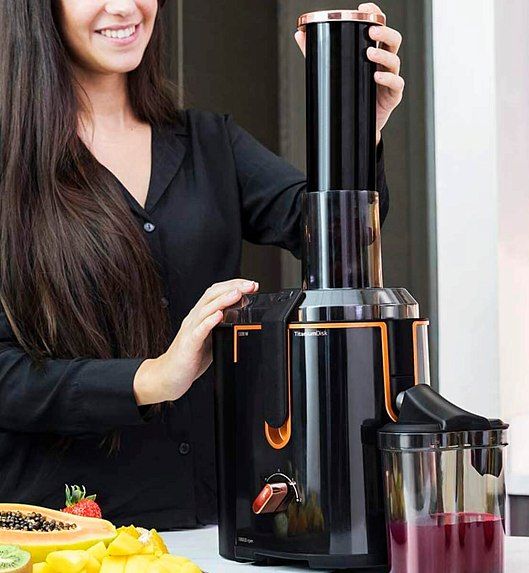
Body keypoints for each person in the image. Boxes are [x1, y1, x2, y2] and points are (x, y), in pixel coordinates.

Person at [0, 0, 404, 529]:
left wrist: (356, 127)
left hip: (208, 530)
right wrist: (151, 378)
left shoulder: (209, 143)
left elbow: (339, 245)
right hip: (64, 537)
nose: (124, 6)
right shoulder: (10, 166)